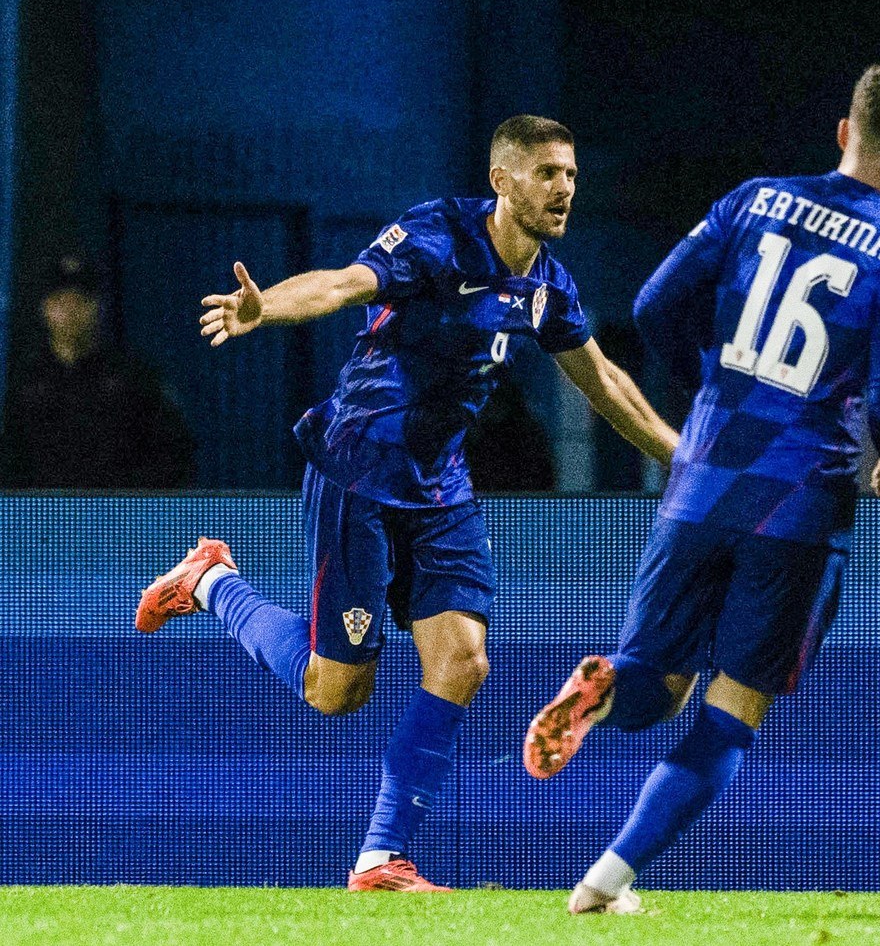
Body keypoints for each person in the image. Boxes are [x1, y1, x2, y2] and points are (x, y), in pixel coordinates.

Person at [133, 116, 678, 891]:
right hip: (359, 470)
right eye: (548, 173)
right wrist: (268, 308)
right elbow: (343, 283)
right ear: (503, 179)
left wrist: (683, 460)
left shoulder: (548, 285)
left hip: (441, 485)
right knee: (335, 691)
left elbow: (606, 382)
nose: (564, 189)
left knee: (464, 659)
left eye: (572, 175)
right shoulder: (437, 235)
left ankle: (380, 857)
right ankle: (212, 581)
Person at [519, 64, 880, 915]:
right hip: (799, 501)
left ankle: (603, 688)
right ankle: (605, 883)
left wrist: (710, 391)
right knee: (731, 708)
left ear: (843, 130)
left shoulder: (754, 199)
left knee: (654, 683)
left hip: (700, 480)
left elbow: (649, 307)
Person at [0, 254, 195, 489]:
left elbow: (173, 453)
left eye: (81, 299)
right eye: (60, 300)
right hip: (41, 519)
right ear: (45, 308)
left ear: (97, 307)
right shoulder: (25, 380)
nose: (71, 310)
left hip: (116, 518)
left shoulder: (132, 376)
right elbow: (11, 457)